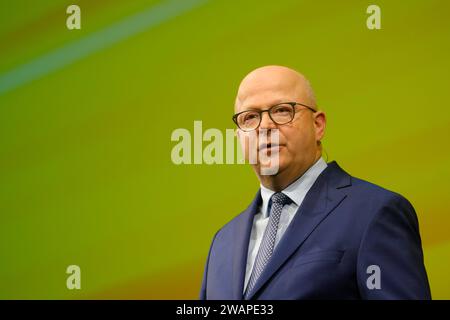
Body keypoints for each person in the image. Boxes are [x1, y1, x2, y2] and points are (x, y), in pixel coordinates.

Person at [200, 65, 431, 299]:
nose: (265, 126)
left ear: (318, 125)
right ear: (239, 137)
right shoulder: (222, 242)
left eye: (282, 110)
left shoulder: (374, 212)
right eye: (250, 117)